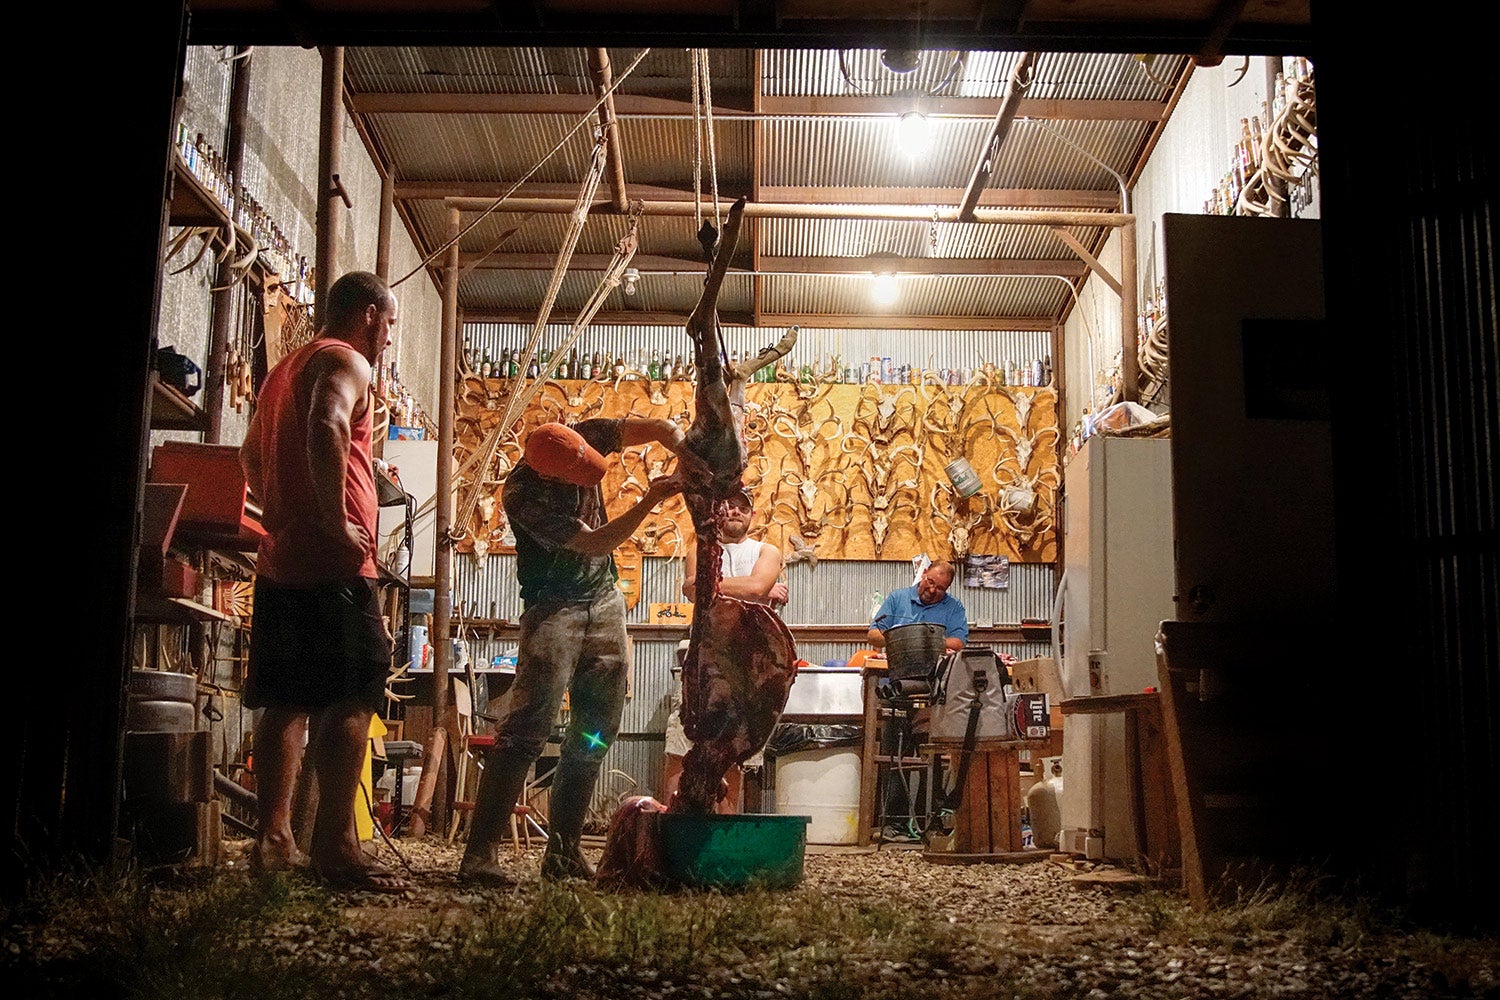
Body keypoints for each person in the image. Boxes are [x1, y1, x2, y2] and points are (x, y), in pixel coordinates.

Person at [458, 418, 698, 886]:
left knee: (594, 733)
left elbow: (662, 428)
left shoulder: (588, 433)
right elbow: (596, 541)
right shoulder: (524, 495)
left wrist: (690, 457)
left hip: (604, 602)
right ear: (549, 475)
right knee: (527, 730)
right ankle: (479, 855)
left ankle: (563, 854)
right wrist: (651, 498)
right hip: (554, 610)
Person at [239, 270, 405, 892]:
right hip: (335, 565)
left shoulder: (283, 369)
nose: (387, 339)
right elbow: (328, 423)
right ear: (368, 315)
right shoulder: (344, 359)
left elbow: (250, 457)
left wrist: (281, 511)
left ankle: (273, 843)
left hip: (282, 561)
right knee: (353, 696)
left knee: (286, 700)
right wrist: (334, 521)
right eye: (388, 326)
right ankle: (335, 848)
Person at [672, 488, 788, 810]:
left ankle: (723, 832)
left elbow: (754, 587)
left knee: (734, 748)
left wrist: (707, 585)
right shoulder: (701, 547)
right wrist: (748, 588)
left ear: (752, 516)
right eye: (730, 506)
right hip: (703, 658)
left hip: (750, 662)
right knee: (681, 744)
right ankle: (674, 826)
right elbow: (702, 591)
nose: (736, 511)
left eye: (743, 507)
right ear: (719, 512)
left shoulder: (768, 550)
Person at [866, 560, 968, 841]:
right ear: (923, 575)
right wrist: (902, 639)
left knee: (932, 755)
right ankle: (893, 822)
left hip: (933, 691)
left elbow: (959, 642)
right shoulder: (898, 598)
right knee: (893, 753)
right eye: (930, 582)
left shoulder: (953, 608)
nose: (932, 590)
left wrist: (926, 640)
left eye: (940, 588)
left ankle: (931, 821)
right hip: (898, 690)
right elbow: (874, 633)